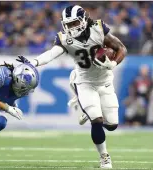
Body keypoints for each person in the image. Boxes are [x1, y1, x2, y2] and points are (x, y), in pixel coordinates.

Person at [23, 5, 127, 169]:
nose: (71, 28)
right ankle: (104, 157)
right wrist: (33, 62)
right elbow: (51, 54)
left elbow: (121, 48)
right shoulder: (65, 39)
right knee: (97, 120)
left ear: (84, 19)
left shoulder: (98, 29)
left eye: (74, 23)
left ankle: (87, 110)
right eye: (68, 24)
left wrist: (113, 63)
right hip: (84, 82)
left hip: (105, 81)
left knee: (112, 125)